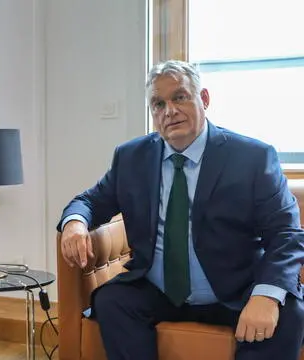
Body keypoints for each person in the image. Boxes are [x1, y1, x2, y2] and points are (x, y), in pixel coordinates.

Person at [58, 60, 304, 359]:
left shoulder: (252, 157)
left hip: (235, 289)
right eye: (158, 104)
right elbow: (90, 201)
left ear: (204, 99)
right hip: (159, 291)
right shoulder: (132, 157)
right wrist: (74, 223)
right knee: (113, 300)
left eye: (180, 97)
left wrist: (265, 294)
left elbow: (286, 234)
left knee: (289, 311)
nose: (169, 111)